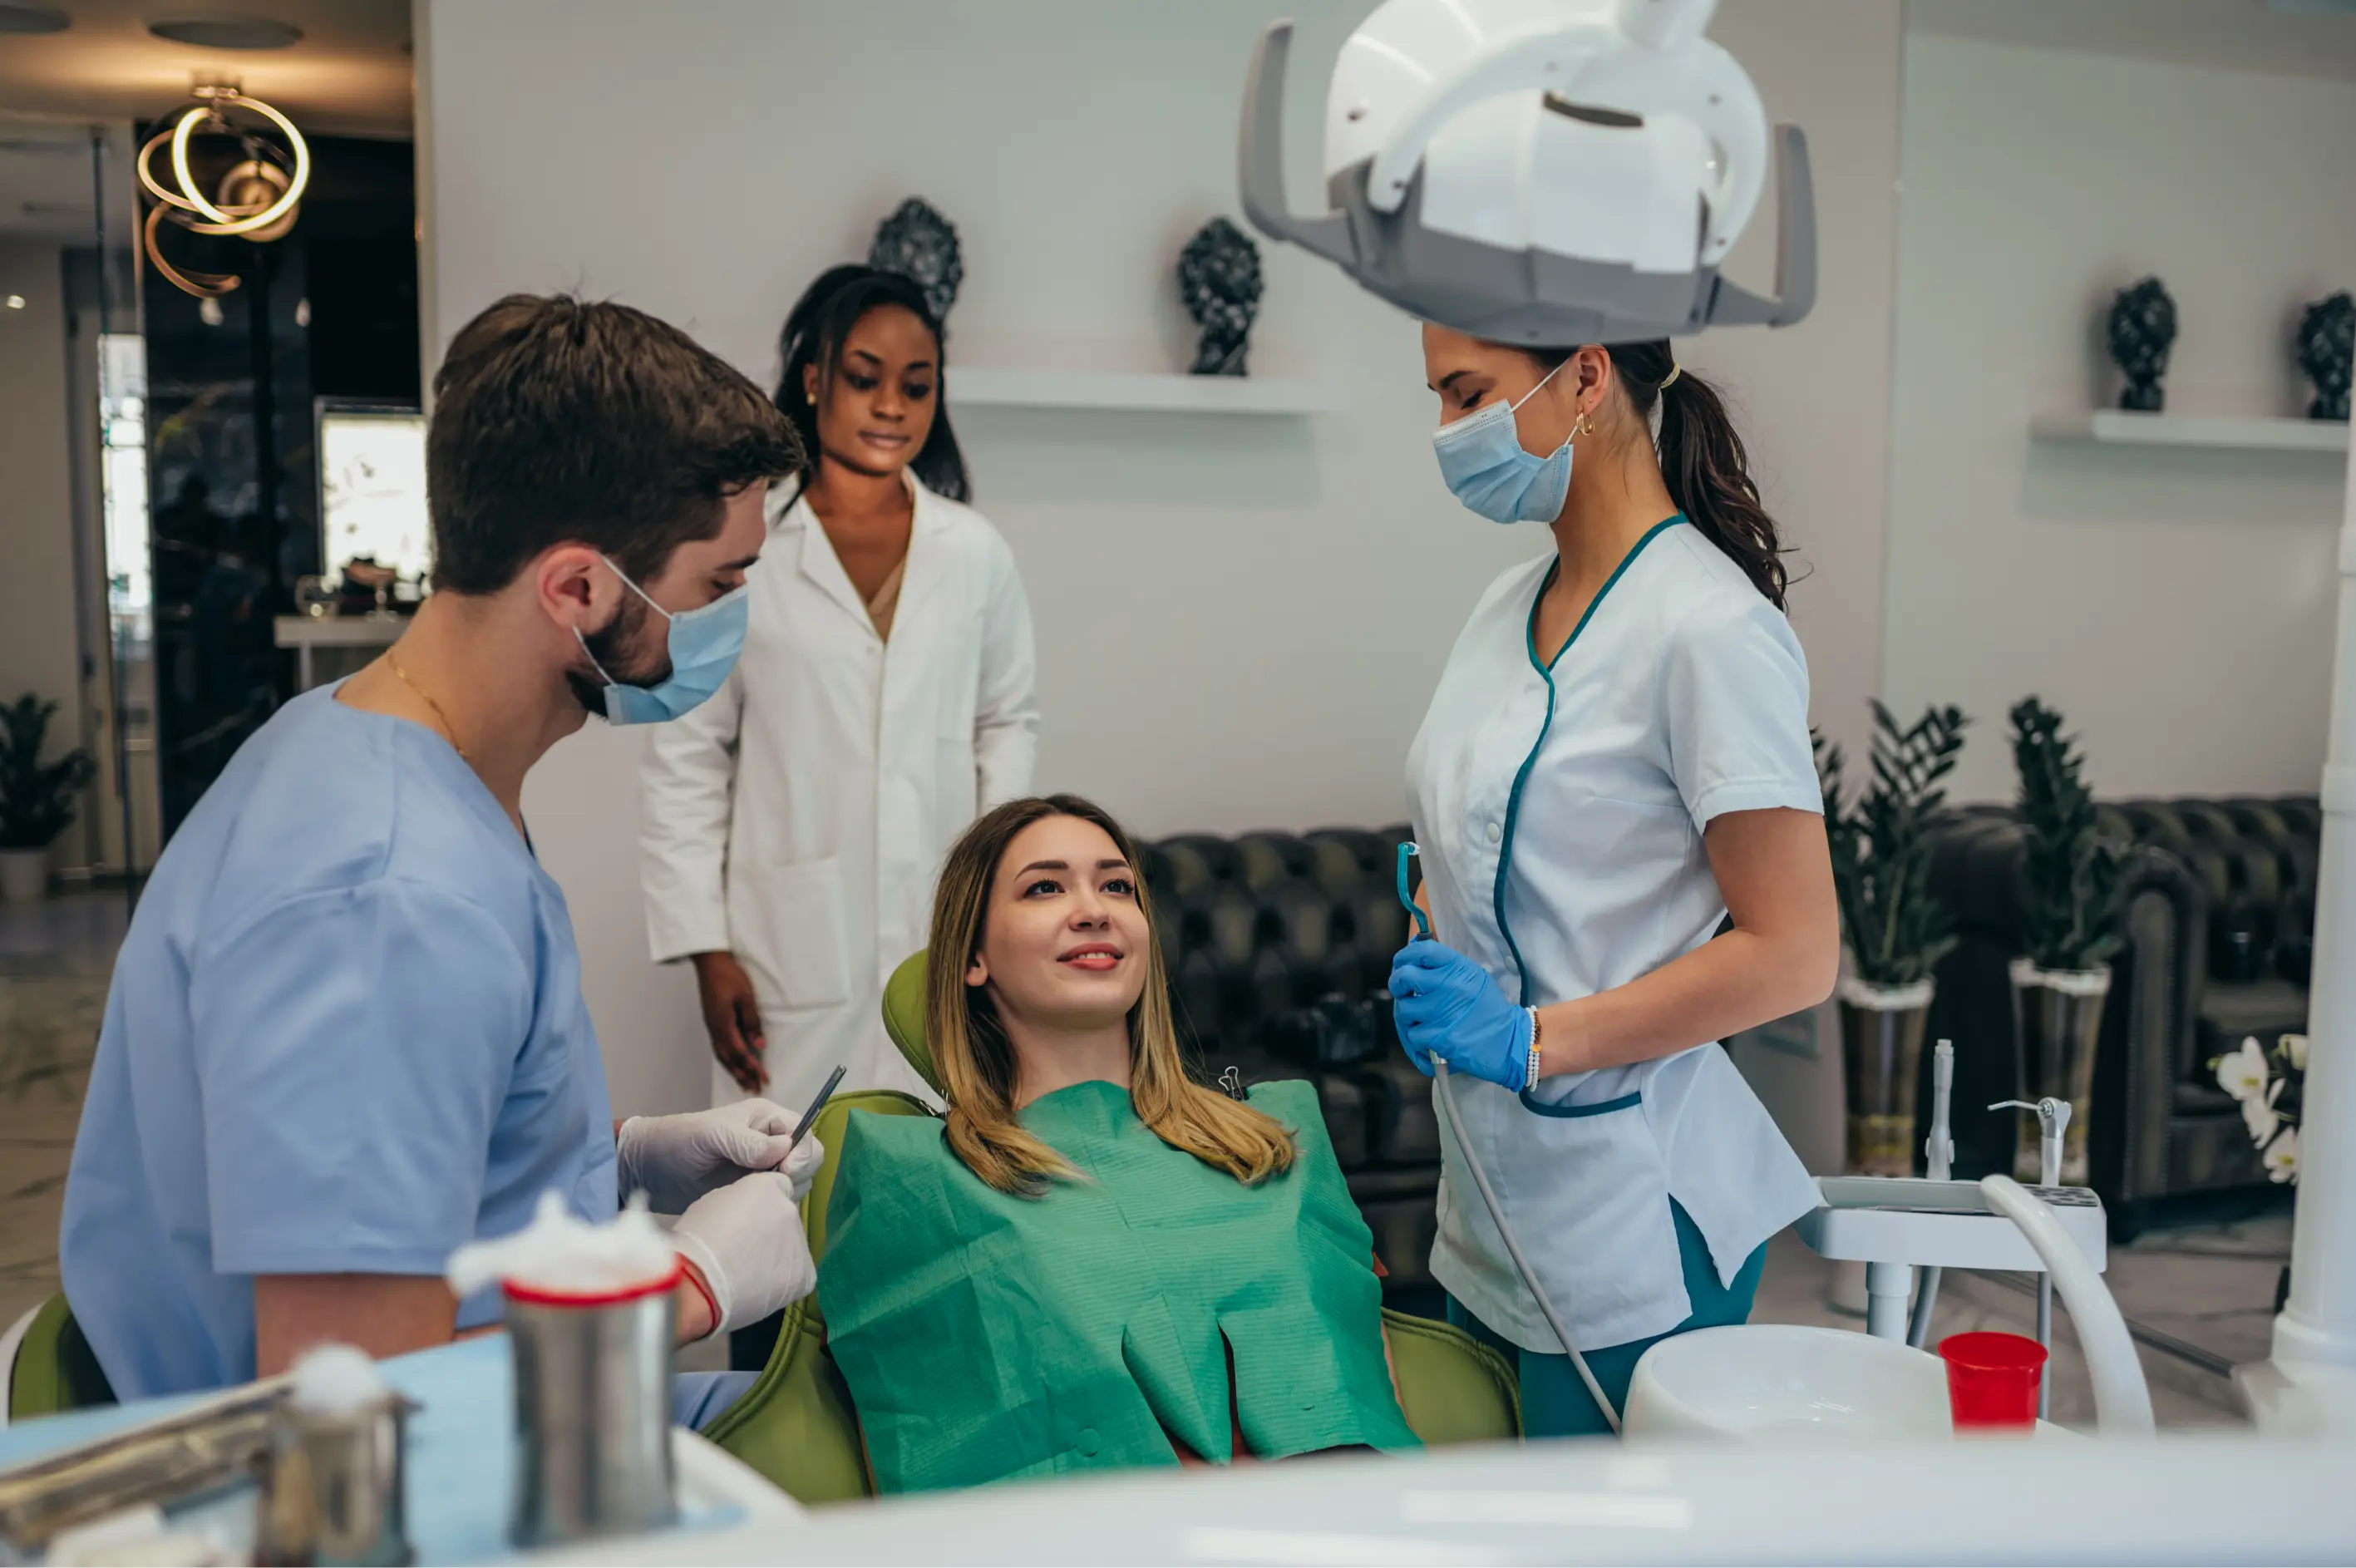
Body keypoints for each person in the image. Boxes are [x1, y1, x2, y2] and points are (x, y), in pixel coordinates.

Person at [59, 295, 825, 1424]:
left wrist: (617, 1162)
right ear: (578, 587)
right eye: (721, 582)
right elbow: (346, 1398)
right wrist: (687, 1286)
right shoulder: (386, 892)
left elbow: (398, 1152)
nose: (739, 613)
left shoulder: (365, 744)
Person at [1390, 330, 1839, 1438]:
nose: (1450, 434)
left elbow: (1793, 954)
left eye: (1468, 395)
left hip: (1630, 1210)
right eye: (1441, 400)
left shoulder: (1711, 627)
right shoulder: (1506, 605)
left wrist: (1531, 1038)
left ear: (1586, 376)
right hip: (1493, 1186)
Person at [815, 796, 1421, 1492]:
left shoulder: (1275, 1141)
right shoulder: (916, 1183)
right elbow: (924, 1461)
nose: (1093, 909)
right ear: (973, 956)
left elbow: (1372, 1396)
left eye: (1116, 886)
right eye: (1045, 887)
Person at [641, 264, 1038, 1114]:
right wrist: (705, 949)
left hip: (943, 933)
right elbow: (687, 749)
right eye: (864, 378)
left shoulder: (973, 552)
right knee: (781, 1187)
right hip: (786, 947)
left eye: (916, 385)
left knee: (935, 1187)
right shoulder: (746, 547)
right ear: (815, 380)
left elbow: (1005, 721)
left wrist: (997, 888)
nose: (891, 404)